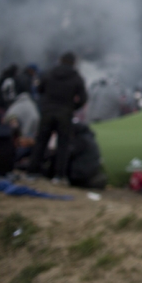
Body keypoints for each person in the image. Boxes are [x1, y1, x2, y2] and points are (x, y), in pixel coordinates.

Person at [28, 52, 87, 184]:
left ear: (61, 60)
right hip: (65, 114)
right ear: (74, 62)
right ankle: (59, 176)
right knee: (63, 145)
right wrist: (72, 107)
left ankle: (32, 172)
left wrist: (46, 102)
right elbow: (83, 99)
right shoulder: (77, 77)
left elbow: (39, 89)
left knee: (41, 142)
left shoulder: (49, 73)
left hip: (47, 112)